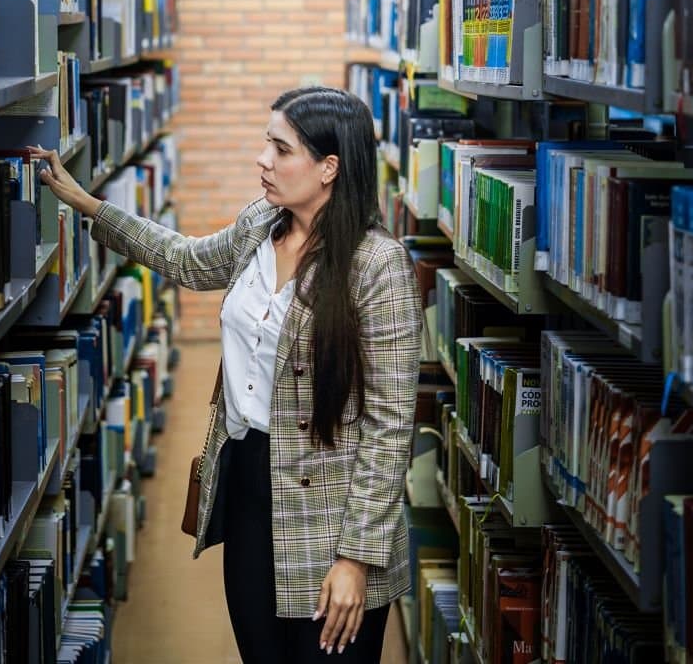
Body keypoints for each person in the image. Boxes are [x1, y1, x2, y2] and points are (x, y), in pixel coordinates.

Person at [27, 86, 421, 663]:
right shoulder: (263, 223)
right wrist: (88, 206)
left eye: (281, 149)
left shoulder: (377, 266)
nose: (263, 160)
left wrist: (356, 558)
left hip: (331, 509)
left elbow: (389, 427)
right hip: (246, 482)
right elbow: (187, 259)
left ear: (328, 167)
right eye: (267, 145)